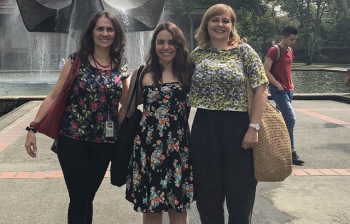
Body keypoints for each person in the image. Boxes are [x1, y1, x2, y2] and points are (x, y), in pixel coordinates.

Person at [24, 11, 129, 223]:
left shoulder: (120, 64)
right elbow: (54, 96)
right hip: (72, 139)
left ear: (115, 34)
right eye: (100, 28)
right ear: (91, 32)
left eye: (110, 29)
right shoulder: (76, 60)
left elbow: (126, 105)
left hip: (104, 142)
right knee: (79, 198)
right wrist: (32, 128)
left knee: (87, 197)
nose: (105, 33)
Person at [187, 4, 268, 224]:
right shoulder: (198, 54)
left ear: (232, 25)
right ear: (206, 24)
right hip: (204, 127)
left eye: (225, 20)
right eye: (215, 20)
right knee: (207, 196)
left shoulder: (244, 51)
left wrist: (254, 127)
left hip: (239, 127)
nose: (220, 25)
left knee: (240, 196)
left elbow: (261, 88)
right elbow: (181, 86)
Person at [118, 21, 194, 224]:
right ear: (154, 45)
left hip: (178, 148)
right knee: (151, 209)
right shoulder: (142, 72)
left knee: (178, 209)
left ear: (179, 45)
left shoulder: (188, 72)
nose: (166, 47)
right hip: (148, 149)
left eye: (171, 42)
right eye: (160, 42)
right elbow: (128, 109)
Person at [264, 25, 305, 166]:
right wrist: (278, 85)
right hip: (279, 90)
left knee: (280, 121)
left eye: (295, 39)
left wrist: (290, 85)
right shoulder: (274, 50)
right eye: (291, 39)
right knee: (290, 119)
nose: (293, 42)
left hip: (289, 90)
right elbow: (265, 71)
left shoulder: (290, 50)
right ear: (284, 37)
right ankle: (291, 151)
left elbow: (287, 69)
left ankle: (275, 149)